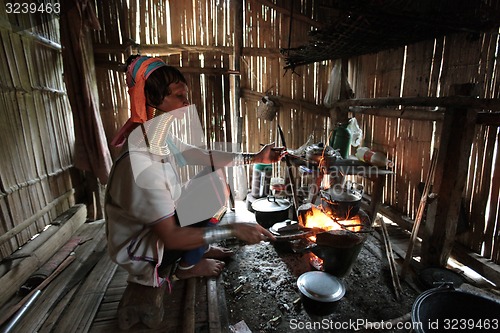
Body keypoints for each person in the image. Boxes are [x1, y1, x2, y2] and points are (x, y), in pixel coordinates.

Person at [104, 55, 283, 328]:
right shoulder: (143, 163)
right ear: (153, 101)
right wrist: (233, 230)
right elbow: (172, 237)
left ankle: (198, 249)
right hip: (144, 248)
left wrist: (256, 157)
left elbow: (202, 156)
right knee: (209, 196)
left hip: (158, 226)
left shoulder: (155, 136)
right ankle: (187, 268)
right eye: (178, 97)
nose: (186, 104)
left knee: (213, 182)